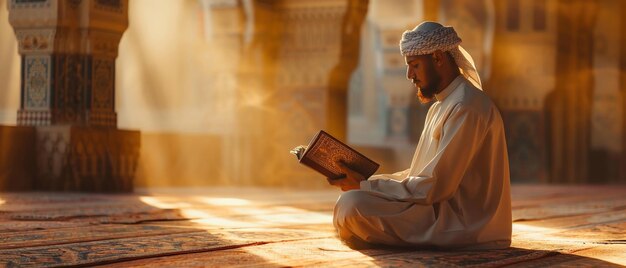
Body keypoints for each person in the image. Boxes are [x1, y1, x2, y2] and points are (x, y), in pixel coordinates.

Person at [327, 21, 512, 250]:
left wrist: (366, 187)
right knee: (351, 202)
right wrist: (365, 181)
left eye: (414, 65)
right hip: (438, 209)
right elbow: (420, 176)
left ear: (437, 58)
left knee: (353, 206)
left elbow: (435, 186)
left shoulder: (466, 106)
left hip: (466, 223)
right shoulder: (441, 106)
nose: (409, 75)